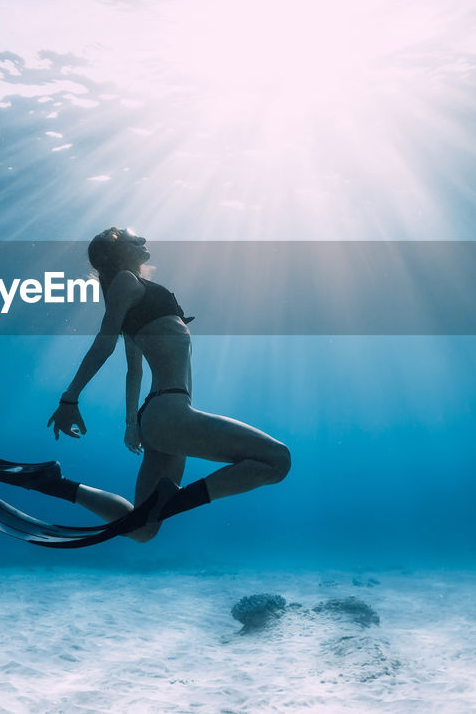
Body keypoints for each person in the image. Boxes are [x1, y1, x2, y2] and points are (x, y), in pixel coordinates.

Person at [44, 226, 291, 541]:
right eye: (136, 239)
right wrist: (70, 399)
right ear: (118, 251)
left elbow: (134, 370)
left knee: (143, 528)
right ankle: (175, 501)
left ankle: (54, 483)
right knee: (277, 460)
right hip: (169, 415)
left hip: (160, 419)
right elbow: (103, 344)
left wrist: (132, 424)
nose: (144, 240)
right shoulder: (125, 281)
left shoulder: (135, 292)